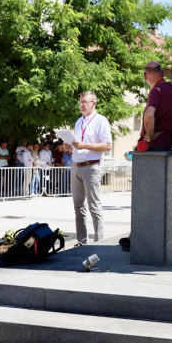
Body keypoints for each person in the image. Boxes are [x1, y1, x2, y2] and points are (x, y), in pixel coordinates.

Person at [66, 91, 112, 246]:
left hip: (91, 166)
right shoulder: (79, 122)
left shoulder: (101, 121)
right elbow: (78, 143)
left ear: (94, 103)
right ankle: (82, 240)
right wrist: (69, 145)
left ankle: (99, 241)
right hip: (76, 165)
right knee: (78, 207)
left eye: (85, 102)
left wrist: (84, 145)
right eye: (80, 102)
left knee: (94, 206)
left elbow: (107, 145)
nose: (81, 105)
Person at [140, 62, 172, 151]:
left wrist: (150, 136)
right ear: (163, 73)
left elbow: (149, 114)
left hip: (155, 147)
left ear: (145, 76)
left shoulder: (156, 90)